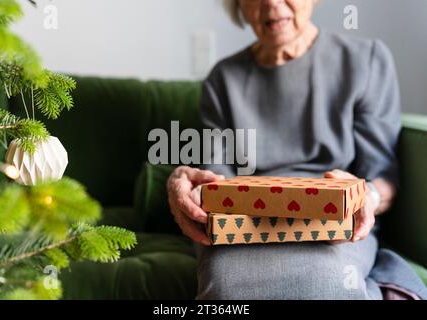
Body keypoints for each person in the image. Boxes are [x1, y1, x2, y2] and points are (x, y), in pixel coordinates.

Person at [167, 0, 427, 299]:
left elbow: (383, 177)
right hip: (245, 221)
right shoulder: (223, 78)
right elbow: (216, 177)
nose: (272, 4)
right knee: (227, 288)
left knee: (331, 283)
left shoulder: (364, 60)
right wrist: (189, 188)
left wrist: (366, 196)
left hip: (334, 221)